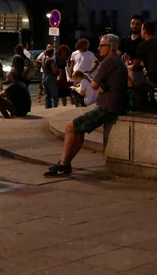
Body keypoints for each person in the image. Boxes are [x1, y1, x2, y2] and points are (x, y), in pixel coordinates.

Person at [44, 34, 128, 177]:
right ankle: (65, 163)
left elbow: (94, 85)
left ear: (111, 47)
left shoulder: (109, 61)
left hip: (107, 106)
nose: (99, 48)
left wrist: (85, 76)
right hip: (114, 103)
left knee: (70, 126)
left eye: (102, 45)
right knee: (78, 129)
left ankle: (63, 165)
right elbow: (104, 83)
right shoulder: (117, 61)